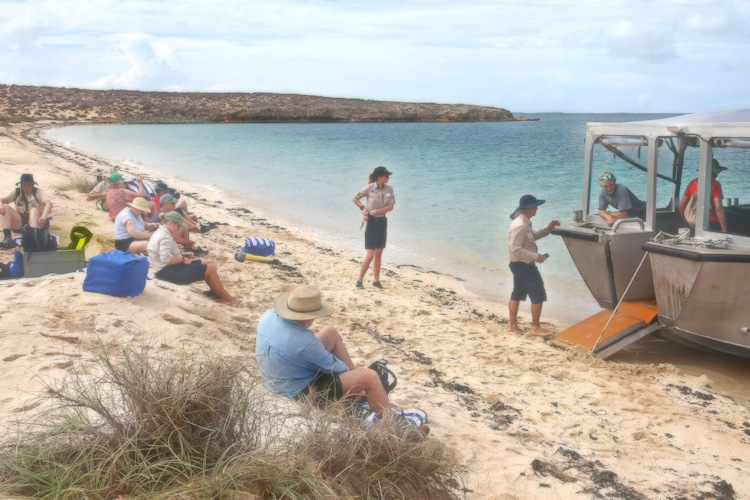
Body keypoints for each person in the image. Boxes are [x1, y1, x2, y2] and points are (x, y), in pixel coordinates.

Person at [256, 284, 414, 427]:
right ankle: (393, 425)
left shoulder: (269, 315)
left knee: (329, 332)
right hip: (295, 390)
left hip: (275, 377)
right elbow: (336, 366)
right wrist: (357, 378)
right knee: (370, 376)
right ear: (308, 316)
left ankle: (361, 390)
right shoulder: (304, 342)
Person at [147, 211, 237, 303]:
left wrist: (182, 255)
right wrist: (182, 259)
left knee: (206, 262)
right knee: (210, 269)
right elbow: (166, 259)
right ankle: (225, 296)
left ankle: (215, 292)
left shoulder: (161, 232)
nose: (179, 229)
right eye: (178, 226)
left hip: (165, 268)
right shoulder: (165, 237)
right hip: (165, 272)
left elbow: (163, 254)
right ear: (170, 223)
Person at [507, 194, 560, 336]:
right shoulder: (521, 225)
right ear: (528, 208)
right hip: (523, 265)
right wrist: (536, 257)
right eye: (535, 206)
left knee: (517, 293)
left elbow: (532, 238)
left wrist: (549, 228)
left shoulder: (524, 222)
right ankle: (536, 328)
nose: (537, 208)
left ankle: (512, 325)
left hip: (518, 264)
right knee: (538, 294)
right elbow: (515, 249)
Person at [352, 166, 395, 289]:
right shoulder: (370, 188)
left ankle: (376, 280)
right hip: (371, 223)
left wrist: (377, 211)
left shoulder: (389, 189)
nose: (388, 178)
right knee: (370, 254)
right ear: (380, 177)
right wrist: (363, 208)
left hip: (382, 223)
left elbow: (390, 207)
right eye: (386, 176)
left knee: (379, 253)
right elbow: (355, 198)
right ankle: (359, 280)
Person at [0, 173, 53, 249]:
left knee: (34, 210)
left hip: (37, 221)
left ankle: (34, 237)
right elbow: (1, 199)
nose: (26, 187)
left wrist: (44, 216)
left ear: (32, 185)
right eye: (24, 185)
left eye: (29, 185)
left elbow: (48, 203)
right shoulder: (17, 192)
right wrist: (1, 206)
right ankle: (7, 238)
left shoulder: (37, 192)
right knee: (4, 206)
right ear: (21, 185)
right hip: (21, 221)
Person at [678, 159, 728, 233]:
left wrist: (686, 224)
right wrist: (724, 229)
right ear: (712, 172)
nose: (717, 174)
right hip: (712, 223)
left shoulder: (692, 183)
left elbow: (681, 207)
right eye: (717, 172)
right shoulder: (715, 184)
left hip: (694, 223)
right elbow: (719, 208)